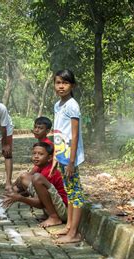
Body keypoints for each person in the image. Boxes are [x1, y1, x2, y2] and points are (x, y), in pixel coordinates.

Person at [52, 69, 85, 244]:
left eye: (65, 83)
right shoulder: (58, 105)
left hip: (71, 157)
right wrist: (56, 156)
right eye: (58, 83)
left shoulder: (73, 105)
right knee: (69, 191)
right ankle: (68, 227)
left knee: (76, 193)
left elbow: (74, 134)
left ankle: (74, 233)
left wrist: (72, 162)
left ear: (72, 85)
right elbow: (58, 131)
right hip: (63, 155)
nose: (61, 86)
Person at [3, 142, 68, 228]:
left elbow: (40, 203)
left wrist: (19, 198)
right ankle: (49, 214)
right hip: (55, 205)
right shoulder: (40, 168)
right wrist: (14, 194)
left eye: (40, 154)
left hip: (63, 211)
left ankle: (54, 217)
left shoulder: (49, 172)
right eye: (34, 153)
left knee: (36, 178)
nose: (36, 156)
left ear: (49, 158)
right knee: (24, 176)